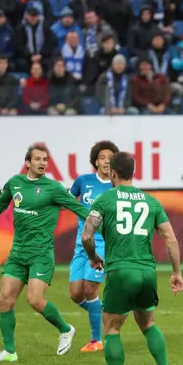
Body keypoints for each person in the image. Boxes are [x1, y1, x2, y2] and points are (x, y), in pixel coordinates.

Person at [80, 151, 183, 365]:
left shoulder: (105, 200)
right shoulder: (151, 202)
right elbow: (170, 238)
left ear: (113, 173)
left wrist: (93, 257)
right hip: (147, 272)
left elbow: (86, 235)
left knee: (111, 327)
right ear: (133, 172)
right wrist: (176, 272)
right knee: (148, 323)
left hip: (120, 271)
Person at [0, 143, 89, 363]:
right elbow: (0, 204)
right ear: (27, 163)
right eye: (38, 159)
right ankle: (9, 351)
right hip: (18, 253)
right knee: (5, 300)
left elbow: (78, 208)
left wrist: (99, 221)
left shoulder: (53, 188)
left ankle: (65, 329)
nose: (43, 163)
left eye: (45, 159)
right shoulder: (15, 183)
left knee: (35, 300)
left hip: (41, 254)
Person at [68, 141, 119, 353]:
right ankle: (103, 313)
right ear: (96, 161)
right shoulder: (83, 181)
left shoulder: (117, 186)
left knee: (90, 290)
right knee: (75, 294)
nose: (107, 161)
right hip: (82, 244)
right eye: (103, 157)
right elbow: (67, 200)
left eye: (111, 157)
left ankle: (96, 340)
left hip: (103, 244)